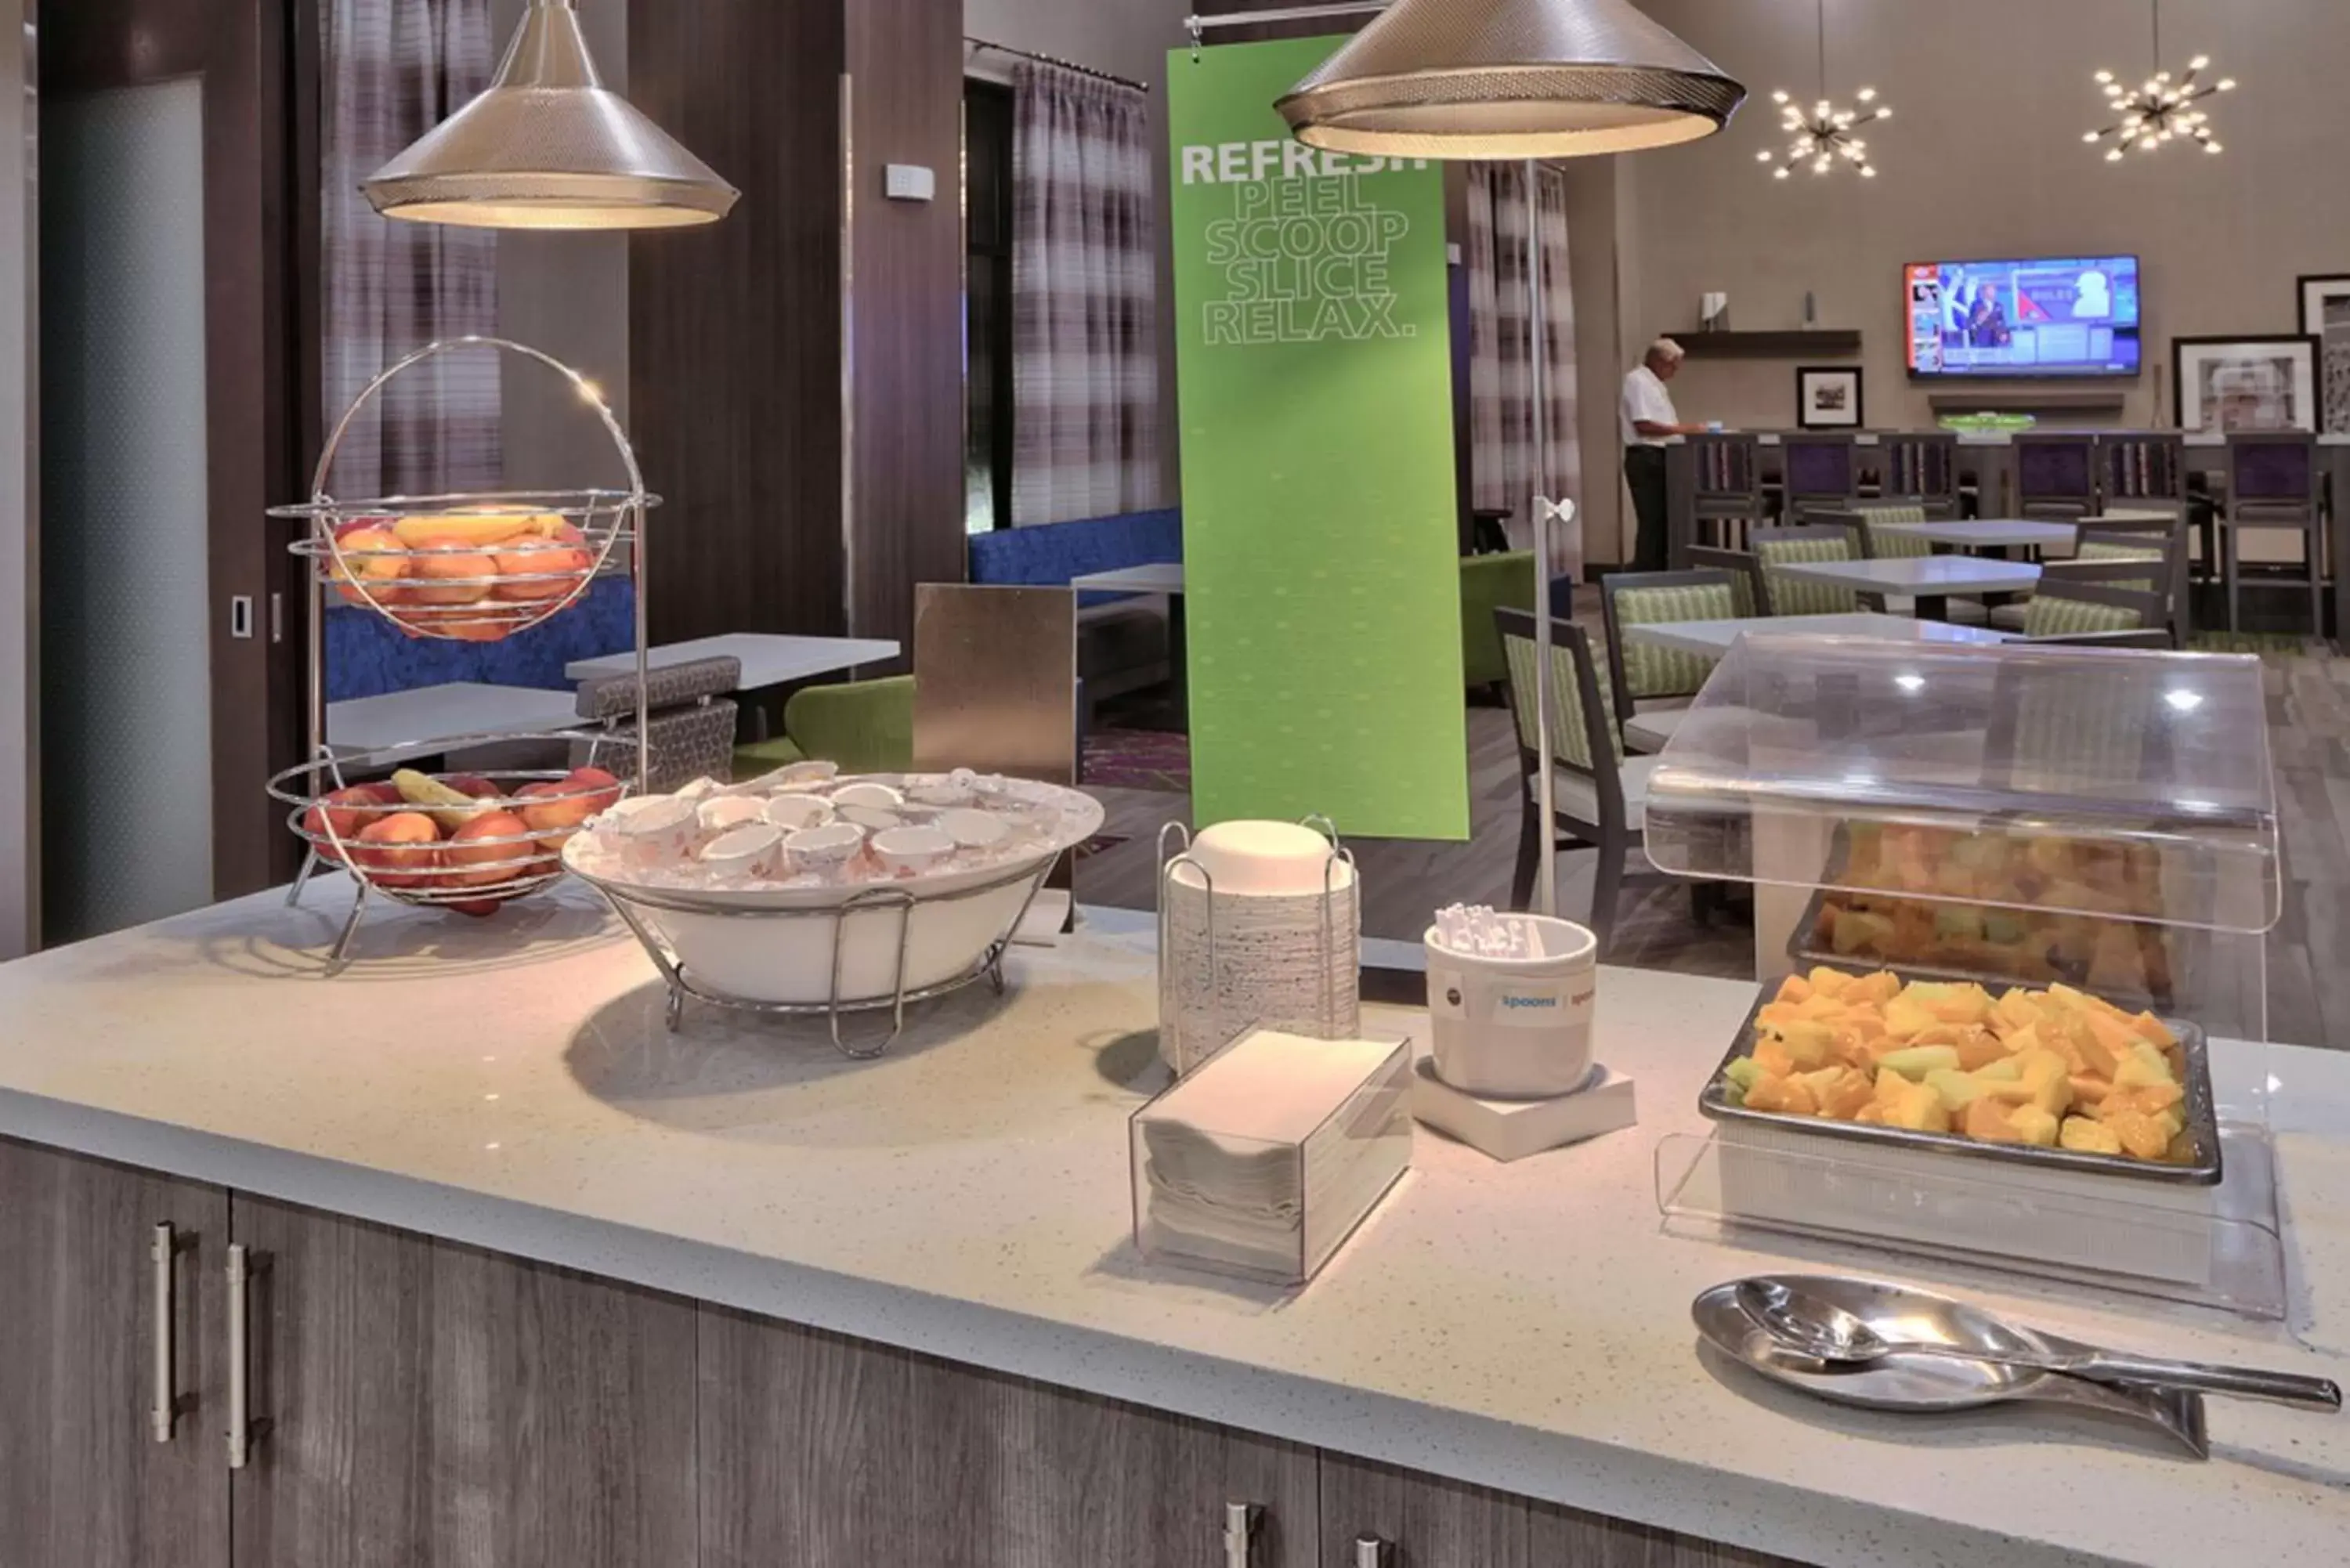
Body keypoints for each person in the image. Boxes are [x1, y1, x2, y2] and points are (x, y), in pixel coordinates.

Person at [1621, 338, 1705, 574]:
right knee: (1652, 520)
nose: (1674, 372)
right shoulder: (1637, 381)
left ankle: (1662, 569)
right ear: (1659, 361)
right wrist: (1686, 429)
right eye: (1673, 366)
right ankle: (1646, 573)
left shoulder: (1655, 384)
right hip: (1646, 457)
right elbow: (1644, 424)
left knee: (1665, 520)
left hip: (1662, 456)